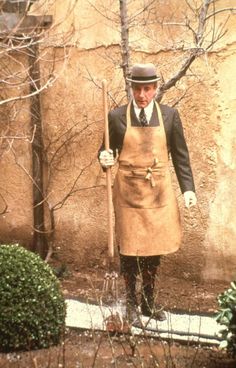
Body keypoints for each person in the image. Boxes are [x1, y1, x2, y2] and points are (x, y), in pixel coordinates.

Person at [98, 63, 196, 323]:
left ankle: (148, 302)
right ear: (131, 88)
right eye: (138, 89)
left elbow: (181, 157)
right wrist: (105, 157)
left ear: (155, 88)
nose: (142, 95)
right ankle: (130, 303)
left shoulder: (170, 116)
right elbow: (106, 151)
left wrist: (188, 189)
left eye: (148, 89)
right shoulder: (117, 117)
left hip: (158, 194)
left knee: (154, 251)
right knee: (129, 250)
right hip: (128, 194)